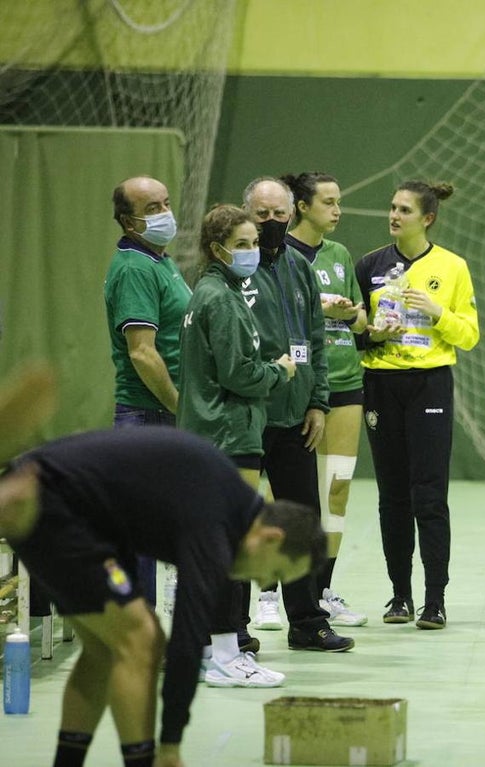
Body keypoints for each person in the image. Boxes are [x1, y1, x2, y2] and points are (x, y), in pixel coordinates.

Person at [0, 428, 326, 767]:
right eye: (273, 573)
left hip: (80, 515)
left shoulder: (228, 507)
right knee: (142, 637)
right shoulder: (216, 523)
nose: (262, 582)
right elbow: (188, 640)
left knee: (101, 651)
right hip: (45, 500)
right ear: (271, 539)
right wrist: (171, 744)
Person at [178, 204, 298, 687]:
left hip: (217, 434)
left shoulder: (213, 293)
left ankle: (213, 651)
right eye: (242, 244)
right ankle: (226, 654)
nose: (251, 252)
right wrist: (280, 371)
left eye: (254, 242)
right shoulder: (221, 299)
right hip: (227, 435)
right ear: (217, 249)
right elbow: (238, 374)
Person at [355, 180, 479, 629]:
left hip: (429, 386)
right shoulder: (369, 265)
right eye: (391, 207)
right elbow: (355, 333)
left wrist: (436, 311)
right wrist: (372, 335)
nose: (393, 215)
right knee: (392, 496)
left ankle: (435, 600)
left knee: (429, 494)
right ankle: (399, 596)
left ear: (427, 218)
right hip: (382, 385)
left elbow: (469, 335)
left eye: (404, 209)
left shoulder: (453, 267)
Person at [243, 176, 353, 652]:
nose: (271, 223)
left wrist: (318, 401)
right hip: (245, 419)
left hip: (295, 419)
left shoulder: (300, 269)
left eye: (278, 214)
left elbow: (316, 342)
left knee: (303, 519)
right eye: (261, 215)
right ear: (248, 214)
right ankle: (235, 629)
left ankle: (308, 622)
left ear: (292, 214)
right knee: (241, 521)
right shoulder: (234, 271)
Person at [283, 172, 369, 628]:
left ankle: (323, 590)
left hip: (345, 381)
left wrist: (353, 314)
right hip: (299, 387)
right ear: (302, 206)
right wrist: (319, 306)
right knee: (293, 499)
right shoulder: (279, 254)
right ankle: (270, 591)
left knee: (338, 487)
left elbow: (360, 321)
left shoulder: (339, 254)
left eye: (339, 202)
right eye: (329, 203)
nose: (337, 211)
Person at [104, 175, 191, 605]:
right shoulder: (135, 267)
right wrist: (181, 406)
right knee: (140, 539)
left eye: (166, 203)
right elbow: (142, 353)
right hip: (147, 415)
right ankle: (139, 638)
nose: (164, 214)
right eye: (151, 208)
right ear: (128, 221)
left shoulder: (160, 260)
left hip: (162, 415)